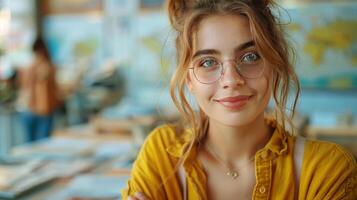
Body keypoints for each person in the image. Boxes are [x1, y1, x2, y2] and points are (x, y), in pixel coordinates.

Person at [122, 0, 357, 199]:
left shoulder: (327, 171)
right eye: (208, 62)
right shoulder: (162, 154)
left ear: (275, 64)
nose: (231, 80)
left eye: (250, 56)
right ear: (189, 80)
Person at [17, 37, 60, 142]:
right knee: (41, 144)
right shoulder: (46, 66)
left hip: (29, 108)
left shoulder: (28, 66)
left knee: (31, 144)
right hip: (41, 109)